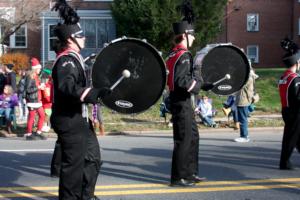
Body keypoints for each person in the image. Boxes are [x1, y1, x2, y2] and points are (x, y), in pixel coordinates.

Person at [50, 1, 111, 199]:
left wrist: (97, 92)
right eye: (80, 35)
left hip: (80, 120)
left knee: (93, 159)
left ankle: (86, 195)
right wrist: (90, 93)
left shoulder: (75, 58)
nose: (84, 38)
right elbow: (66, 87)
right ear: (71, 39)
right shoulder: (66, 59)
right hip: (70, 120)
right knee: (73, 168)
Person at [166, 17, 213, 186]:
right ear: (185, 35)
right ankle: (178, 177)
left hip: (182, 101)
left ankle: (190, 173)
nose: (194, 38)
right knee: (184, 140)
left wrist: (203, 85)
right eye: (192, 35)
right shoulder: (183, 54)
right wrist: (199, 85)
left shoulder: (173, 53)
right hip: (181, 102)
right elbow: (181, 81)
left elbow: (183, 79)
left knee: (193, 137)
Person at [278, 38, 300, 170]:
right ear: (297, 62)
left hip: (286, 109)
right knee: (291, 138)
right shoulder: (295, 79)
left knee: (297, 135)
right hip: (295, 111)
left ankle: (285, 161)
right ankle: (284, 162)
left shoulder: (283, 77)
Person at [24, 58, 46, 140]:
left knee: (42, 115)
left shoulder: (36, 76)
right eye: (39, 68)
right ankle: (29, 134)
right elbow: (28, 90)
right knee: (32, 117)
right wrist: (38, 87)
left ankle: (38, 132)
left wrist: (41, 86)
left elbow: (36, 87)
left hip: (37, 100)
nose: (40, 70)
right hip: (32, 101)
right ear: (35, 69)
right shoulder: (30, 77)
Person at [234, 68, 256, 143]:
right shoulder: (249, 78)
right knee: (243, 119)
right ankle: (245, 135)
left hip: (243, 101)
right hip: (242, 101)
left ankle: (244, 136)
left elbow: (240, 84)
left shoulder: (248, 78)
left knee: (242, 119)